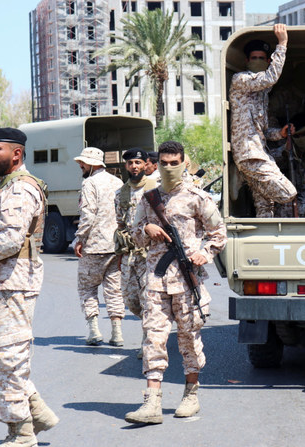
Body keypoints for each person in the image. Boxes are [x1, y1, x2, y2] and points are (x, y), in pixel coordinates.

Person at [125, 140, 227, 424]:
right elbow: (133, 235)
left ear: (184, 163)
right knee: (154, 339)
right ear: (156, 164)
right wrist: (147, 227)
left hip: (186, 281)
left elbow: (219, 235)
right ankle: (152, 403)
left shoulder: (198, 198)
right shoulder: (148, 199)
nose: (169, 168)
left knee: (188, 339)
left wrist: (202, 254)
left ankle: (191, 394)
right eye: (165, 163)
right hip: (156, 282)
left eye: (175, 163)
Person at [0, 128, 59, 446]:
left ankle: (22, 432)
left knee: (6, 356)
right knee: (2, 356)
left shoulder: (20, 189)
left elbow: (10, 239)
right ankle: (38, 414)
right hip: (3, 282)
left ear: (16, 153)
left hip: (12, 283)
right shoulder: (5, 186)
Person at [229, 24, 297, 218]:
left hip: (260, 151)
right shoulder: (241, 80)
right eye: (254, 58)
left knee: (266, 207)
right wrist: (282, 43)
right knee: (288, 192)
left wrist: (280, 134)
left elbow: (263, 131)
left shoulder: (262, 94)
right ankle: (243, 174)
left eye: (261, 58)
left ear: (267, 61)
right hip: (249, 153)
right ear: (246, 60)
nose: (257, 61)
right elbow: (269, 78)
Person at [74, 146, 125, 346]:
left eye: (83, 163)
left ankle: (94, 330)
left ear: (93, 164)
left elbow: (88, 216)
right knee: (114, 289)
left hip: (94, 246)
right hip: (114, 246)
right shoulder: (118, 182)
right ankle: (117, 333)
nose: (80, 165)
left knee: (87, 288)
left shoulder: (89, 184)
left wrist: (80, 239)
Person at [114, 148, 157, 356]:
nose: (134, 166)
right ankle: (155, 328)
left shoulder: (155, 189)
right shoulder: (121, 192)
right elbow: (120, 222)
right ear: (126, 166)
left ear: (145, 164)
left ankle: (148, 341)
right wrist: (119, 253)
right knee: (131, 300)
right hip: (130, 255)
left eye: (138, 162)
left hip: (151, 253)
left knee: (148, 298)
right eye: (130, 163)